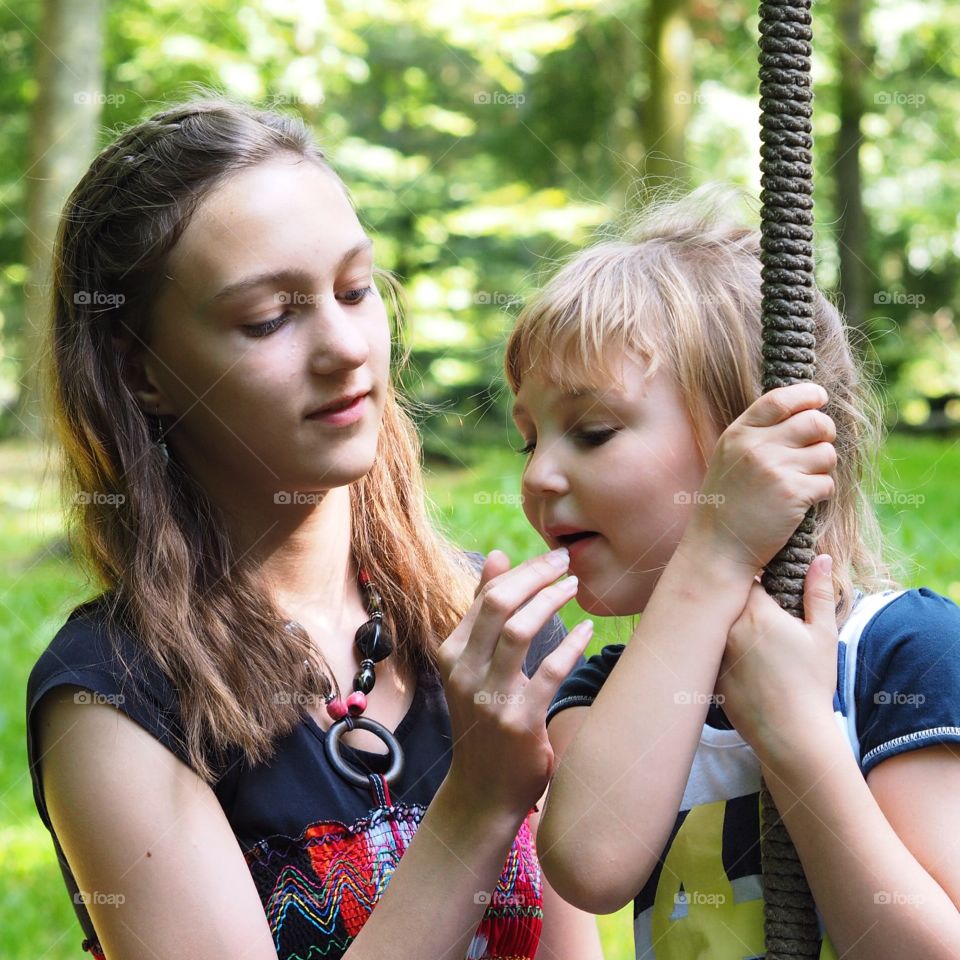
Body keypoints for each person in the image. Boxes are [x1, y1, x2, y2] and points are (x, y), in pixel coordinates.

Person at [25, 95, 603, 960]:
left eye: (356, 290)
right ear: (140, 371)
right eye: (269, 318)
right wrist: (478, 805)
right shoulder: (114, 698)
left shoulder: (482, 628)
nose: (347, 348)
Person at [504, 190, 960, 958]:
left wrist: (799, 739)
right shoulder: (604, 696)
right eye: (528, 441)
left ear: (762, 440)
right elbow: (590, 863)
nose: (541, 476)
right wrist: (713, 556)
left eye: (592, 431)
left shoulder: (904, 656)